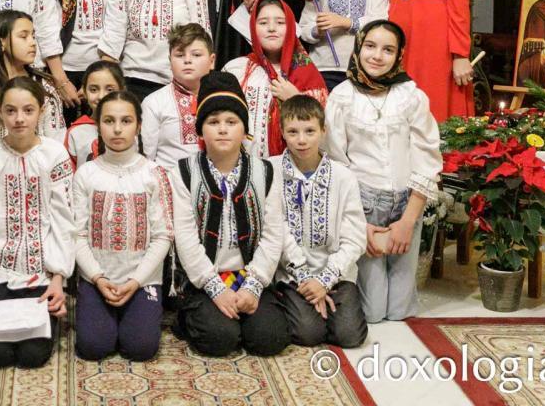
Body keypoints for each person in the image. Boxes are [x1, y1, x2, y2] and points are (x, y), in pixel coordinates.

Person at [324, 20, 442, 324]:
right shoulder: (342, 97)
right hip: (364, 205)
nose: (377, 56)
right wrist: (358, 225)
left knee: (401, 311)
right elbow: (336, 162)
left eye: (388, 50)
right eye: (370, 46)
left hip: (408, 202)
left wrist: (408, 221)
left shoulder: (410, 95)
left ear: (399, 55)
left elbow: (427, 158)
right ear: (358, 48)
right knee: (373, 313)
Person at [170, 71, 290, 357]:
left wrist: (253, 286)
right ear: (200, 131)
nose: (222, 129)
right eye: (213, 122)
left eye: (231, 122)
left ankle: (243, 310)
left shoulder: (265, 172)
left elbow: (273, 234)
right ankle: (192, 315)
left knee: (270, 338)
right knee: (220, 338)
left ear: (244, 129)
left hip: (249, 275)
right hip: (204, 280)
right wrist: (215, 288)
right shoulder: (184, 172)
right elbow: (185, 239)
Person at [0, 77, 76, 369]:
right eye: (10, 110)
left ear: (41, 111)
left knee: (33, 356)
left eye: (28, 110)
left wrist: (58, 279)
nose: (19, 119)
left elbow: (64, 222)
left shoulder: (55, 155)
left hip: (41, 274)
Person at [73, 90, 172, 362]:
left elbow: (163, 236)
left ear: (138, 126)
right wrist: (97, 277)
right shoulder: (86, 174)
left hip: (142, 279)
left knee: (141, 348)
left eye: (126, 121)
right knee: (93, 347)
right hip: (97, 279)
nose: (117, 129)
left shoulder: (154, 174)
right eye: (109, 121)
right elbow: (76, 234)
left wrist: (136, 280)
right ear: (98, 124)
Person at [274, 95, 368, 348]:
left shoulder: (343, 177)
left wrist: (324, 281)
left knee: (350, 336)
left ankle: (325, 305)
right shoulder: (271, 172)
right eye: (293, 132)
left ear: (323, 131)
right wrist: (306, 280)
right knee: (308, 334)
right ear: (282, 132)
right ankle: (295, 306)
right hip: (292, 275)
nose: (301, 140)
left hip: (336, 273)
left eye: (310, 131)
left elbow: (355, 238)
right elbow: (276, 232)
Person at [223, 0, 327, 159]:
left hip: (293, 166)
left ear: (291, 27)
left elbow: (324, 130)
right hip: (243, 165)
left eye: (280, 22)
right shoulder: (237, 70)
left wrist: (296, 99)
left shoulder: (308, 74)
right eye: (263, 23)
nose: (272, 28)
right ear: (253, 28)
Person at [0, 9, 66, 142]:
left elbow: (57, 142)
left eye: (33, 36)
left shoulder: (44, 87)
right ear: (2, 41)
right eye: (24, 36)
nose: (33, 43)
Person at [141, 22, 215, 172]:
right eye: (180, 55)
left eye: (196, 55)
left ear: (212, 61)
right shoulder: (154, 102)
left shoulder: (223, 99)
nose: (187, 60)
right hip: (169, 181)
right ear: (170, 61)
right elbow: (146, 159)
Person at [63, 59, 124, 168]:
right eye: (94, 90)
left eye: (110, 90)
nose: (101, 96)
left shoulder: (131, 129)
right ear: (85, 92)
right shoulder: (76, 132)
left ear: (122, 91)